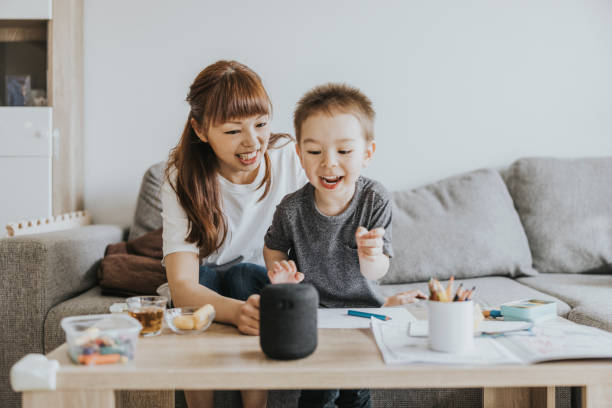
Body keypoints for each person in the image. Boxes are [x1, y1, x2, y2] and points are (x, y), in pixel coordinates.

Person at [263, 83, 425, 408]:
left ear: (367, 153)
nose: (329, 163)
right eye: (314, 151)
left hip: (364, 313)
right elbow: (273, 247)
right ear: (299, 154)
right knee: (316, 390)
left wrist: (371, 254)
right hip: (313, 314)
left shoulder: (374, 198)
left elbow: (380, 268)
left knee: (356, 392)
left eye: (344, 151)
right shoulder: (291, 208)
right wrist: (278, 273)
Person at [161, 60, 307, 408]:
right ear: (200, 130)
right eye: (232, 131)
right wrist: (237, 312)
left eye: (261, 124)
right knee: (208, 275)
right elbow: (183, 287)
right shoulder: (180, 176)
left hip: (259, 284)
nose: (252, 142)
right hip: (204, 289)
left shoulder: (290, 158)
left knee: (244, 275)